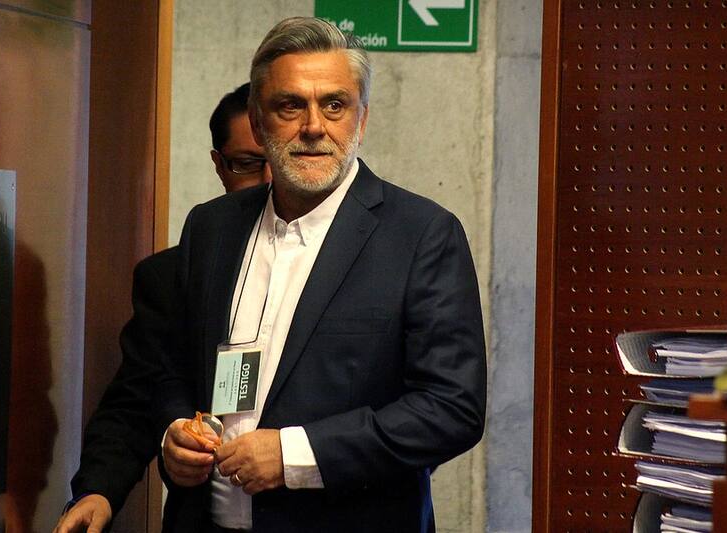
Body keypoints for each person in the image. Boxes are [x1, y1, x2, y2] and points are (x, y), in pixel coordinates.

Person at [157, 17, 486, 533]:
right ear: (258, 122)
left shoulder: (422, 235)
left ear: (362, 119)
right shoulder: (212, 227)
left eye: (334, 105)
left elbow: (451, 409)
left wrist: (294, 455)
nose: (314, 126)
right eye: (290, 105)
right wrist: (174, 433)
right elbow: (175, 366)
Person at [53, 83, 269, 533]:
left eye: (279, 161)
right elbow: (136, 398)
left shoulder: (362, 264)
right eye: (248, 164)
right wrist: (98, 490)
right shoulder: (175, 273)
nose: (268, 180)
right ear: (220, 166)